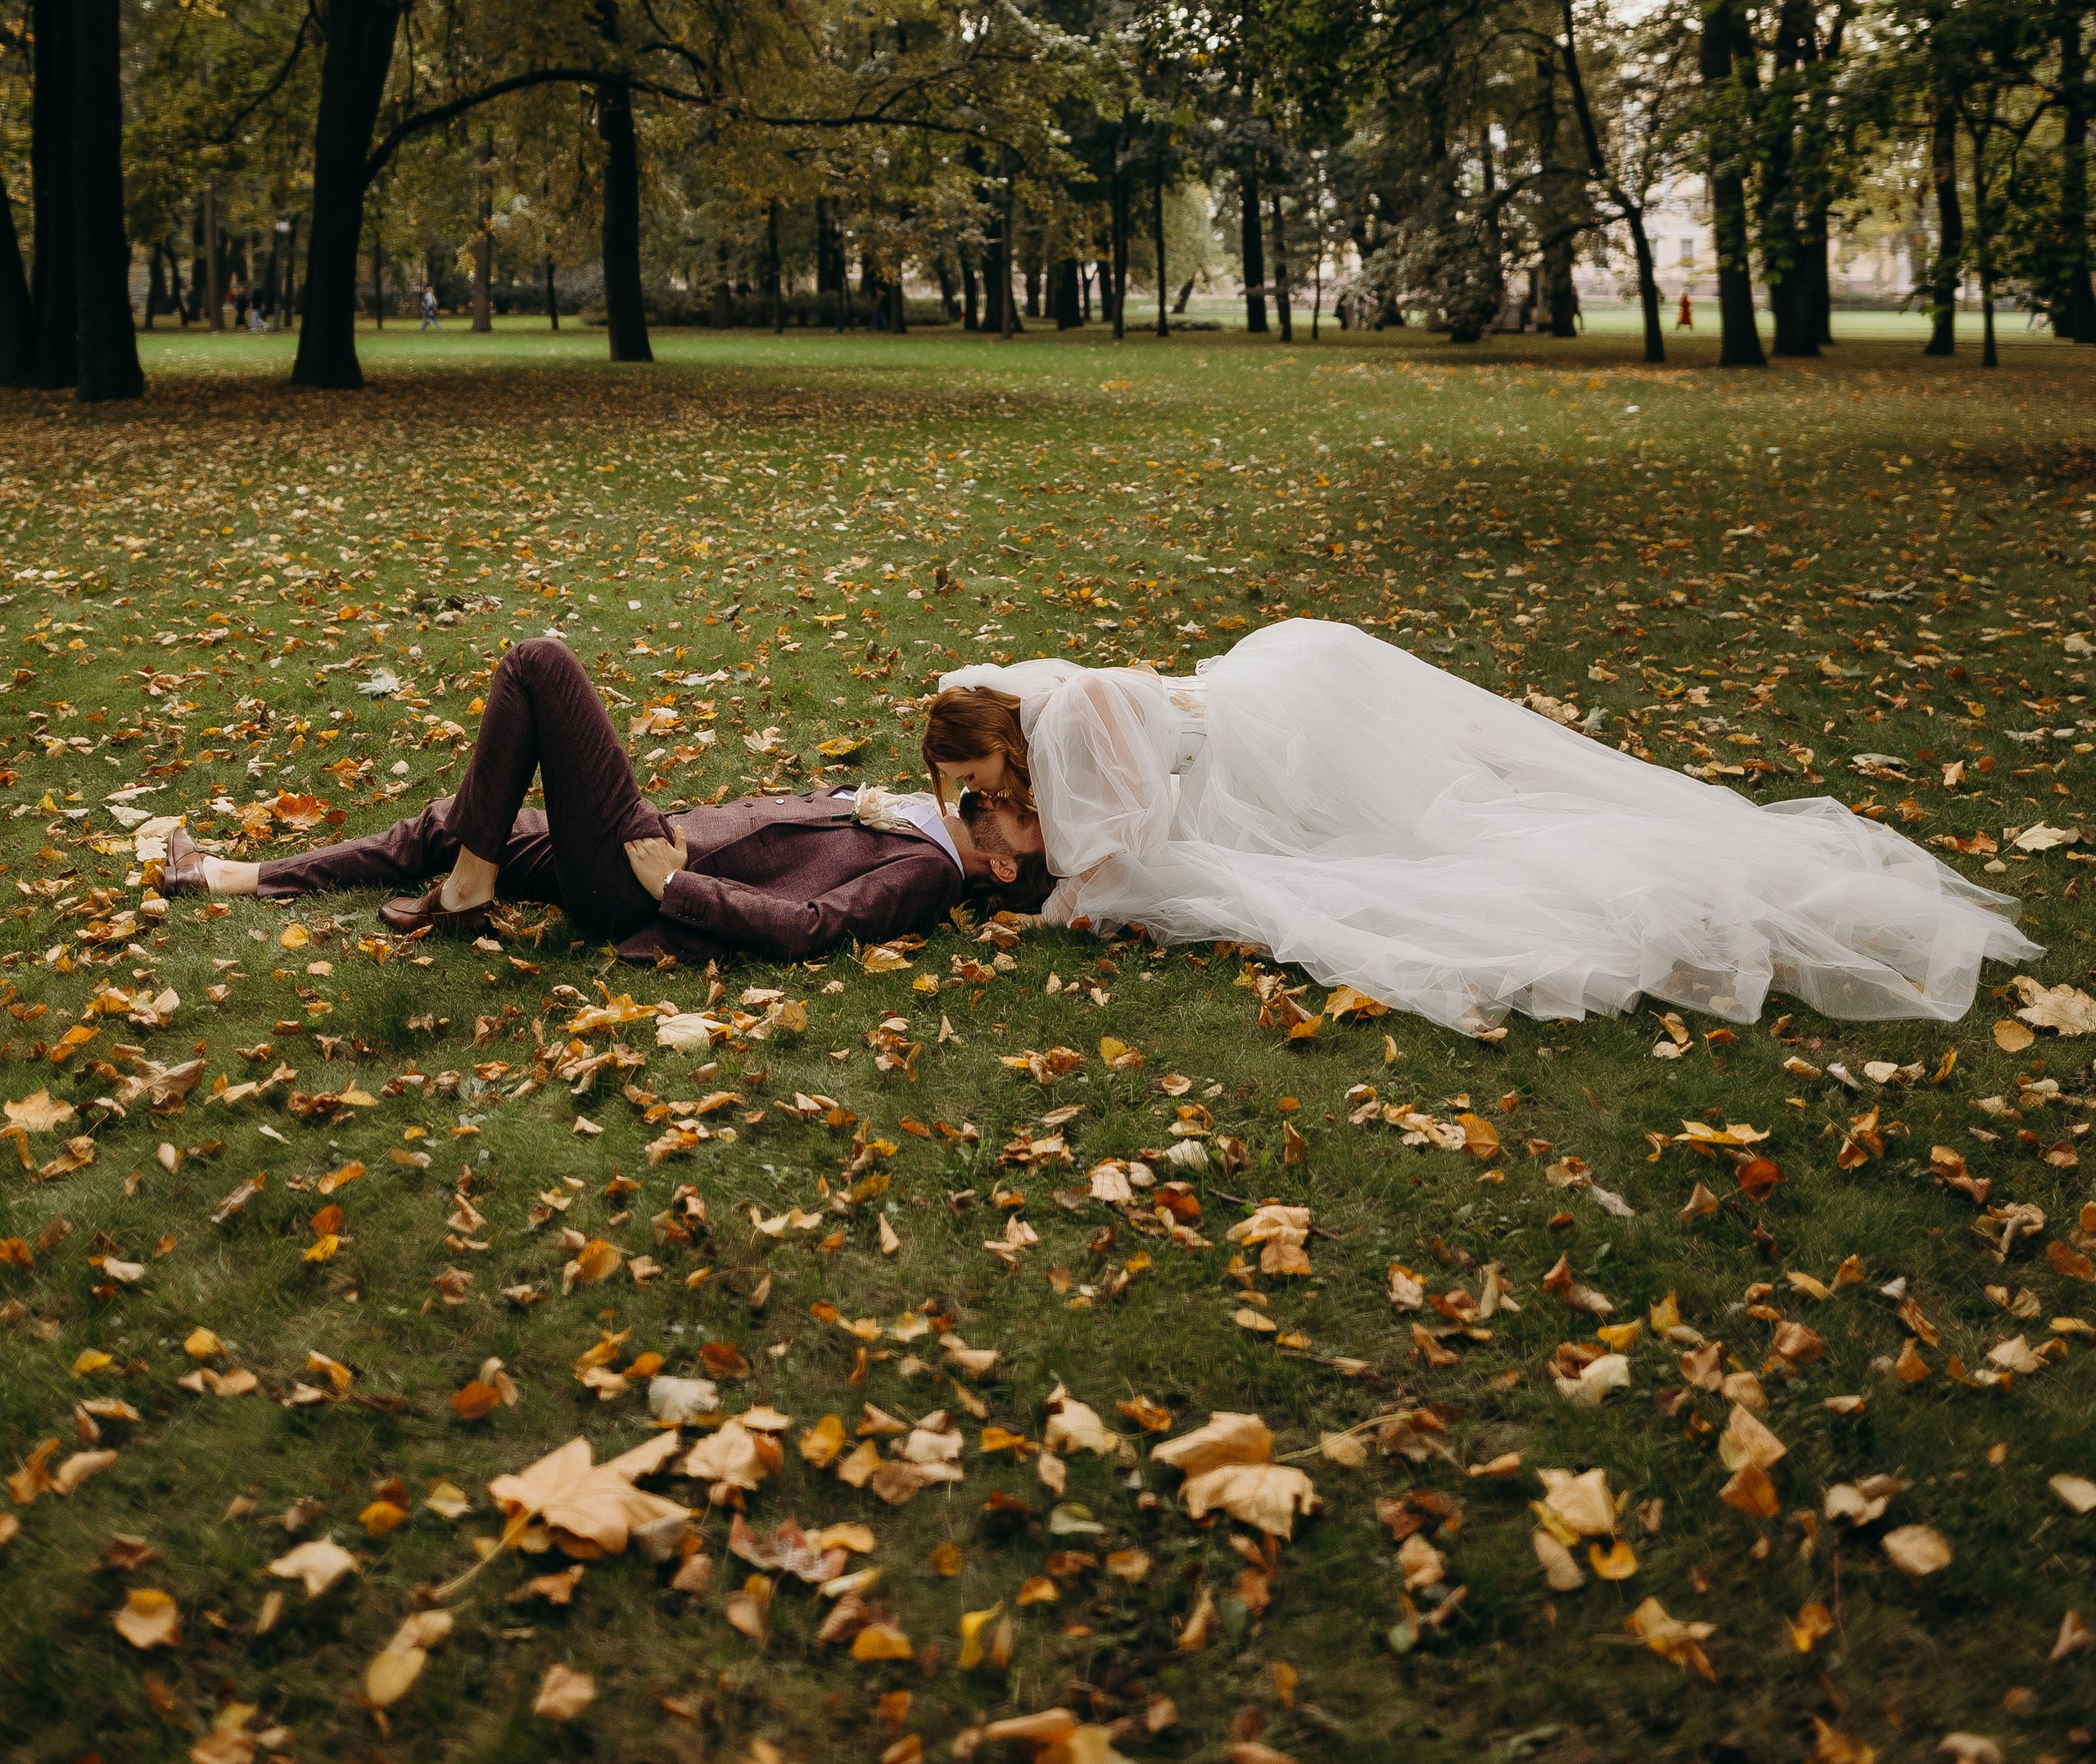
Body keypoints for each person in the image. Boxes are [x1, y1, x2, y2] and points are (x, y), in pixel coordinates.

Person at [920, 625, 2035, 1035]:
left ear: (1002, 739)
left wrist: (1056, 896)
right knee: (1418, 814)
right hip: (1257, 711)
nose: (973, 795)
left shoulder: (1080, 712)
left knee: (1427, 832)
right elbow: (1069, 826)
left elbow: (1131, 843)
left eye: (970, 777)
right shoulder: (1031, 747)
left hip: (1289, 707)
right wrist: (998, 836)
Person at [161, 636, 1053, 966]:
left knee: (539, 665)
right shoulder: (922, 815)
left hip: (640, 879)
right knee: (453, 821)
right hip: (650, 839)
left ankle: (469, 892)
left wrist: (677, 890)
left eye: (1016, 809)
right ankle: (227, 875)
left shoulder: (926, 879)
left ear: (1005, 860)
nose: (1007, 795)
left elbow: (813, 927)